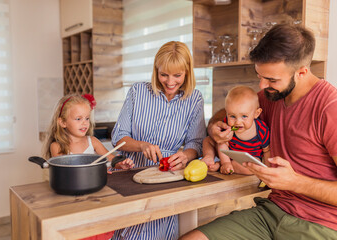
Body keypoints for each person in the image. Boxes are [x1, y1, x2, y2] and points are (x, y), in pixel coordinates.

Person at [180, 24, 337, 239]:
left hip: (320, 226)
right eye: (259, 76)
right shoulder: (272, 96)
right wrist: (216, 126)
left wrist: (295, 182)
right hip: (271, 213)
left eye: (271, 80)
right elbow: (232, 112)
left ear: (301, 72)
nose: (262, 85)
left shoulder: (330, 108)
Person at [111, 41, 206, 240]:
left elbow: (196, 143)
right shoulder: (138, 92)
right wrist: (142, 145)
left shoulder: (195, 99)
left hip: (167, 179)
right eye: (164, 74)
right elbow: (118, 138)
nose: (170, 82)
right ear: (156, 71)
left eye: (177, 75)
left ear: (187, 72)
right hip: (130, 177)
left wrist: (186, 156)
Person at [42, 93, 134, 240]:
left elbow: (111, 159)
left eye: (86, 118)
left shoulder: (93, 141)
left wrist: (121, 163)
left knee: (99, 232)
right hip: (73, 202)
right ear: (63, 122)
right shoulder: (57, 146)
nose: (84, 123)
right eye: (78, 119)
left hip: (98, 198)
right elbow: (65, 173)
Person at [202, 85, 270, 175]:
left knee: (254, 166)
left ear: (256, 113)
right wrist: (225, 162)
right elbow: (222, 143)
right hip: (227, 155)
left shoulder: (262, 130)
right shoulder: (229, 126)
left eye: (244, 116)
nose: (237, 122)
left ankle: (224, 166)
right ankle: (209, 158)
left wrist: (268, 169)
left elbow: (267, 151)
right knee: (207, 140)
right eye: (232, 116)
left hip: (248, 160)